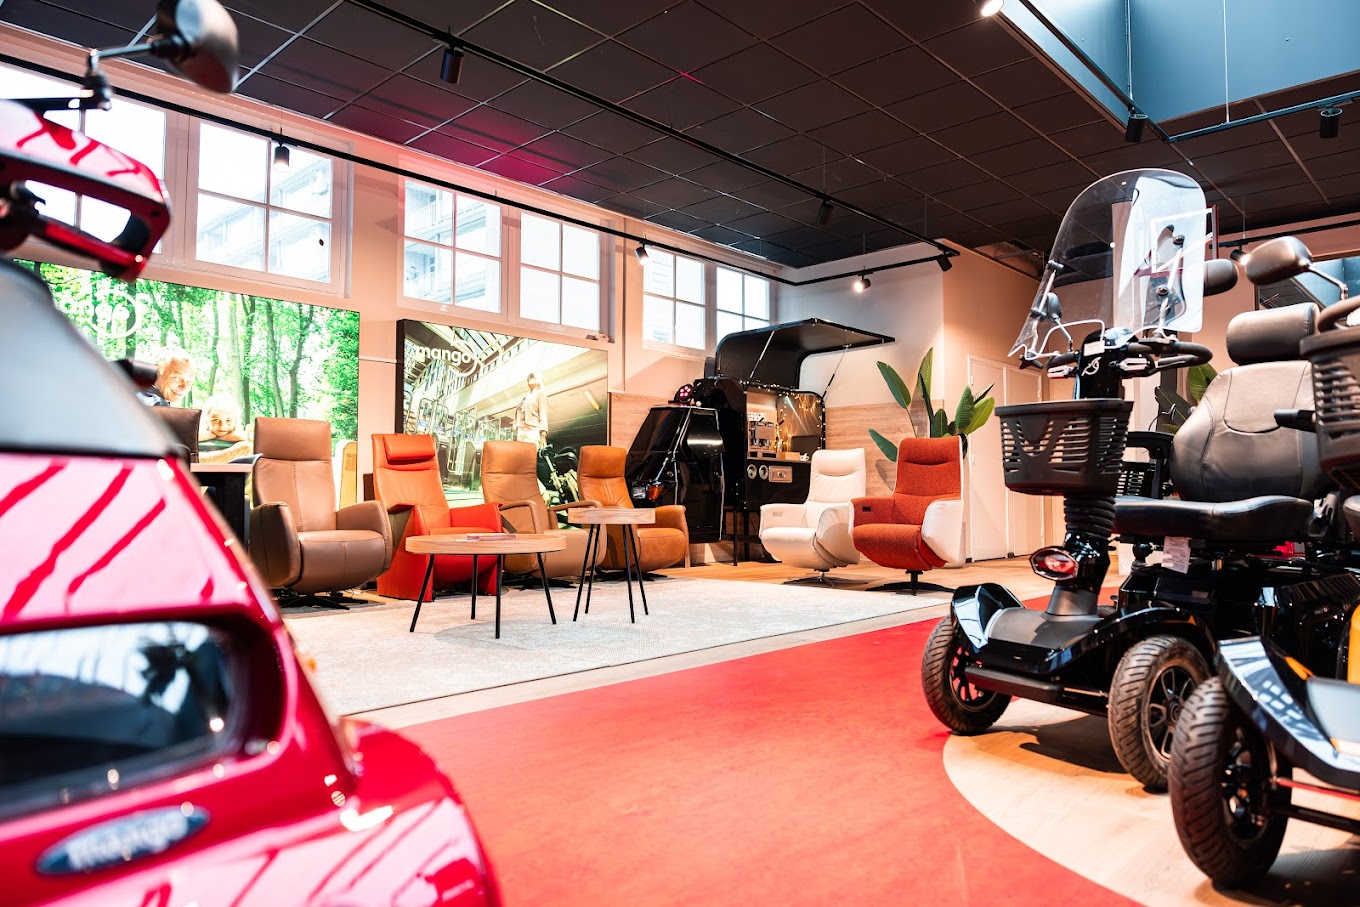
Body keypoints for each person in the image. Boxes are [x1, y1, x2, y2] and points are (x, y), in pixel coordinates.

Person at [196, 394, 252, 465]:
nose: (222, 426)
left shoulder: (245, 441)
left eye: (228, 421)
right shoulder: (195, 437)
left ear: (236, 422)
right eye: (216, 420)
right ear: (206, 420)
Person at [514, 371, 548, 448]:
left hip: (532, 431)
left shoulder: (540, 393)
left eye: (532, 376)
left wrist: (543, 435)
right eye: (528, 378)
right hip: (521, 432)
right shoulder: (526, 397)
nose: (529, 378)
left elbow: (543, 413)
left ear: (538, 379)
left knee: (530, 454)